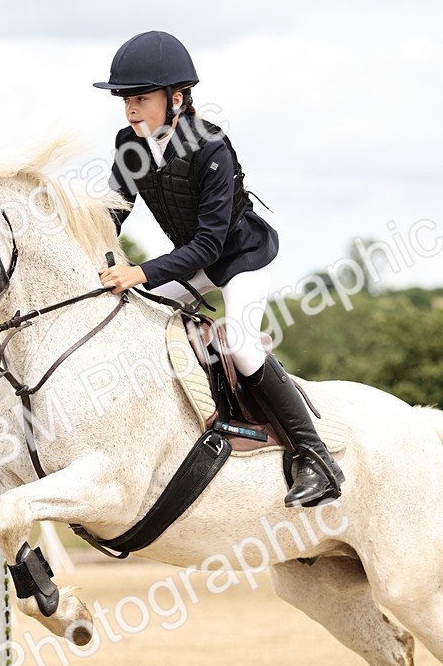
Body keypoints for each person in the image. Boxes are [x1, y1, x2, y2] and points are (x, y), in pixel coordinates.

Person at [94, 29, 344, 507]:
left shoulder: (211, 147)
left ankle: (316, 459)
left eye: (141, 99)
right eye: (126, 100)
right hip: (194, 258)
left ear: (178, 97)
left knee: (244, 345)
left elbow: (209, 244)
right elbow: (110, 214)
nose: (130, 110)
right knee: (131, 316)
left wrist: (141, 272)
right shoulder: (129, 143)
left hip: (238, 257)